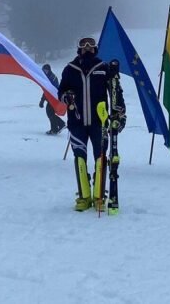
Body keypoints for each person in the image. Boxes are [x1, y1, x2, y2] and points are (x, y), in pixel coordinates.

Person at [58, 37, 126, 211]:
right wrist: (67, 96)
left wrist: (119, 113)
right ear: (78, 49)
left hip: (99, 122)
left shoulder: (103, 68)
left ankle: (99, 196)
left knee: (100, 158)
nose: (87, 49)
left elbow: (115, 91)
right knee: (80, 158)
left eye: (90, 46)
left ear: (95, 49)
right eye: (83, 46)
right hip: (77, 122)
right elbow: (61, 91)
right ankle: (84, 196)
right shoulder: (70, 69)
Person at [39, 64, 66, 135]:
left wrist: (42, 101)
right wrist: (42, 100)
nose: (45, 71)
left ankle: (61, 124)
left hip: (54, 98)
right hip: (52, 98)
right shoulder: (47, 77)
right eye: (44, 70)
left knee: (50, 113)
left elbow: (50, 90)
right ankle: (54, 129)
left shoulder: (51, 78)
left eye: (46, 70)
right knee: (50, 113)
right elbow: (46, 91)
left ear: (49, 70)